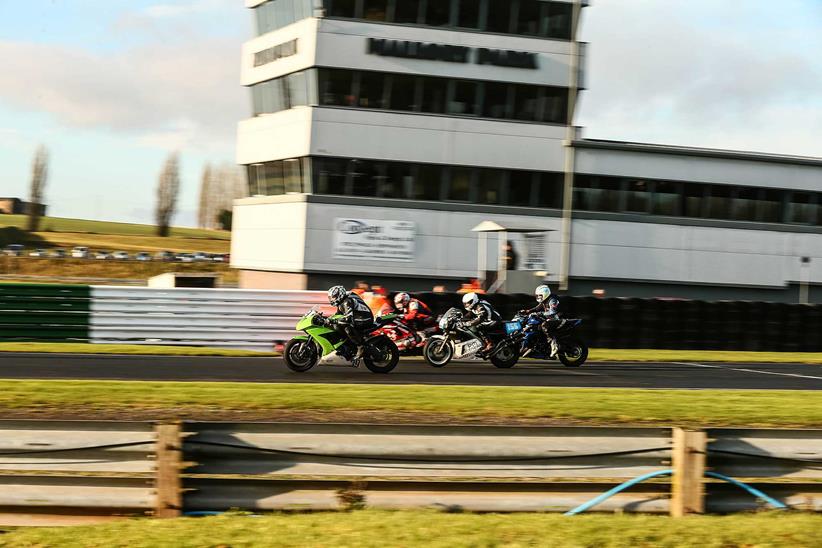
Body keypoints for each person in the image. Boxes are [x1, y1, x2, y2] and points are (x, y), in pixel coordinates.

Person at [327, 285, 374, 359]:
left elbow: (348, 319)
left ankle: (360, 346)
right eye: (331, 297)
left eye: (334, 297)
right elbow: (338, 315)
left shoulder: (347, 301)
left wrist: (335, 320)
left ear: (339, 295)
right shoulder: (341, 303)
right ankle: (348, 346)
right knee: (336, 324)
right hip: (358, 318)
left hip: (365, 318)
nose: (332, 299)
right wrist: (327, 319)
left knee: (347, 326)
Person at [520, 285, 562, 358]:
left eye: (540, 295)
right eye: (538, 295)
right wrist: (528, 311)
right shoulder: (545, 301)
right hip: (551, 318)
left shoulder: (552, 300)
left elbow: (552, 312)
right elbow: (537, 308)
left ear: (545, 293)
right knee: (536, 325)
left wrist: (539, 313)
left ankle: (554, 344)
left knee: (544, 325)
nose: (538, 297)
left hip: (559, 318)